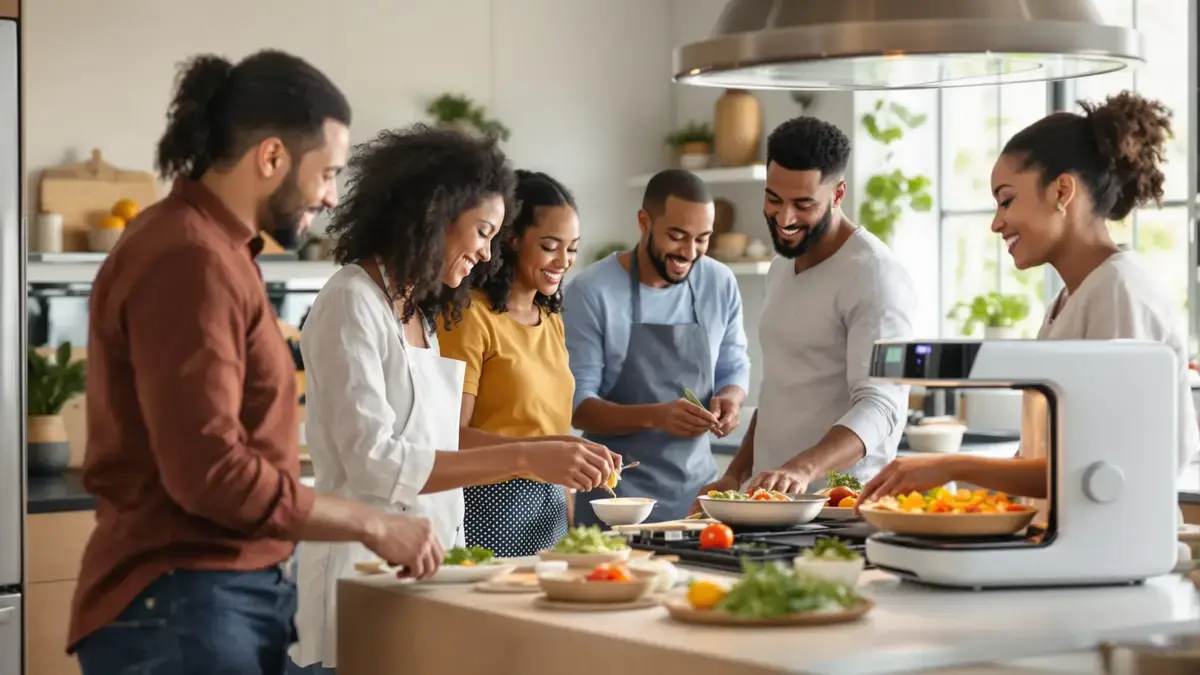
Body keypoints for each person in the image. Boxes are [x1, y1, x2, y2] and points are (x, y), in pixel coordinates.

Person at [69, 51, 443, 675]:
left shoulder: (213, 250)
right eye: (327, 174)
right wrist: (371, 524)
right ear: (271, 157)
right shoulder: (190, 259)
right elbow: (212, 472)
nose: (329, 197)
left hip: (206, 600)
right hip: (185, 601)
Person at [292, 128, 619, 672]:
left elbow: (440, 444)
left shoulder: (419, 312)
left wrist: (549, 448)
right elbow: (373, 462)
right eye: (483, 232)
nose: (488, 253)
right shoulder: (350, 302)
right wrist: (522, 457)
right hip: (361, 574)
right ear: (433, 217)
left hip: (434, 567)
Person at [859, 91, 1200, 505]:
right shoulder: (1065, 304)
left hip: (1115, 554)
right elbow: (1042, 455)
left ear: (1061, 191)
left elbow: (1105, 465)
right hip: (1062, 549)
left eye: (1007, 200)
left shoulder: (1119, 292)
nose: (997, 223)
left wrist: (953, 465)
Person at [695, 116, 917, 505]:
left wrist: (802, 468)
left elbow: (881, 407)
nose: (784, 220)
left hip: (841, 506)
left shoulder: (875, 275)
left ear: (838, 193)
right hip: (769, 502)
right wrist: (735, 474)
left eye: (804, 204)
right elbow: (780, 390)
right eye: (773, 199)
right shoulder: (783, 263)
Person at [565, 169, 752, 525]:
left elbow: (733, 363)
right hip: (614, 501)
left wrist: (731, 397)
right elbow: (578, 407)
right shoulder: (592, 292)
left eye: (702, 239)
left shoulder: (719, 281)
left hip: (698, 500)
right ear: (644, 222)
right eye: (677, 236)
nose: (690, 252)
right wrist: (657, 416)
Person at [437, 169, 591, 555]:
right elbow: (449, 435)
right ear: (512, 239)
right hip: (487, 509)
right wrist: (535, 456)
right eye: (551, 246)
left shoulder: (551, 319)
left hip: (551, 513)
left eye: (572, 248)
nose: (564, 261)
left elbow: (548, 429)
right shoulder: (470, 316)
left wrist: (569, 473)